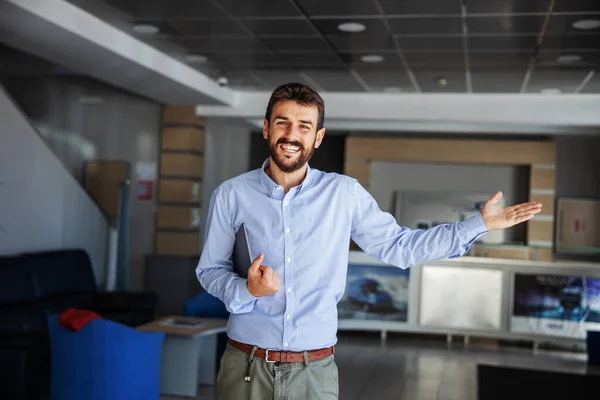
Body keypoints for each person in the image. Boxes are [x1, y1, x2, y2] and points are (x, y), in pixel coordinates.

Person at [195, 82, 542, 400]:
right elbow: (210, 271)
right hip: (245, 367)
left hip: (313, 372)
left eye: (304, 126)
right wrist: (248, 291)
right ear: (267, 127)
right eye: (283, 123)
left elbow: (400, 247)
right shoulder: (232, 194)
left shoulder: (343, 194)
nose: (292, 134)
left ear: (318, 137)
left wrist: (477, 225)